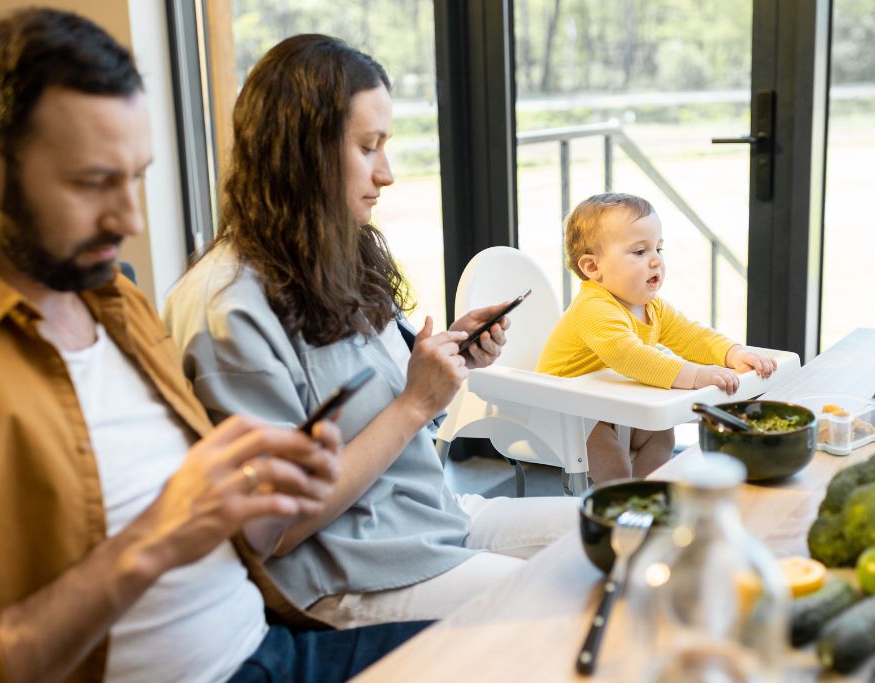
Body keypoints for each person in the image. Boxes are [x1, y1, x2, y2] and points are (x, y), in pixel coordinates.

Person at [0, 9, 428, 683]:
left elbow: (233, 535)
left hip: (271, 645)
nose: (131, 219)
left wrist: (261, 496)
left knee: (539, 648)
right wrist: (151, 542)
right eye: (92, 183)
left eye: (136, 176)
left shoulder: (112, 300)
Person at [164, 34, 578, 630]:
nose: (386, 174)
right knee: (572, 607)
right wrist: (415, 403)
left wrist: (446, 362)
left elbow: (387, 411)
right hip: (349, 569)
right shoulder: (228, 309)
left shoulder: (334, 259)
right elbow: (274, 532)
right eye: (367, 147)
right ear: (301, 153)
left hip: (432, 520)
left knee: (628, 533)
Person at [536, 193, 778, 482]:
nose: (655, 262)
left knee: (661, 435)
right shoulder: (593, 308)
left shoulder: (649, 305)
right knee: (612, 464)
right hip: (563, 410)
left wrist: (733, 354)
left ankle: (650, 495)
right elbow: (631, 357)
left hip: (608, 403)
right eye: (639, 252)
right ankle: (623, 509)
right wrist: (697, 375)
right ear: (593, 268)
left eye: (658, 250)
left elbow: (691, 335)